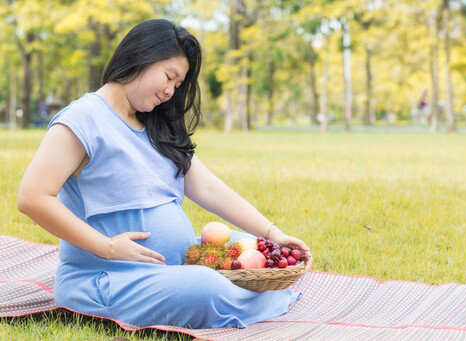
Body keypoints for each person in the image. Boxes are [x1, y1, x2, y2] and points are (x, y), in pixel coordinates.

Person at [16, 19, 312, 329]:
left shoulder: (156, 126)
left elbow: (210, 189)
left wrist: (273, 234)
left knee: (251, 250)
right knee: (204, 288)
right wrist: (109, 248)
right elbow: (32, 197)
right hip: (107, 279)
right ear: (140, 56)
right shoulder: (83, 119)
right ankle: (246, 298)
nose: (171, 91)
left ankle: (245, 293)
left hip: (169, 268)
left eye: (178, 85)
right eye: (169, 77)